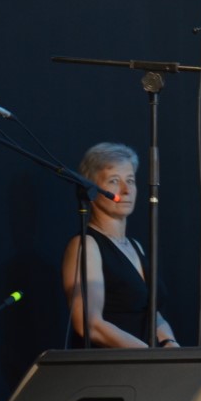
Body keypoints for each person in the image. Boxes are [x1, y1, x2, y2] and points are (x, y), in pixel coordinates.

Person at [61, 142, 179, 349]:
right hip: (112, 364)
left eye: (130, 181)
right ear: (91, 189)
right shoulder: (86, 245)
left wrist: (170, 343)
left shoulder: (135, 246)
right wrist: (149, 355)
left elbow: (152, 313)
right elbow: (90, 324)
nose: (126, 190)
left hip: (146, 361)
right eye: (114, 181)